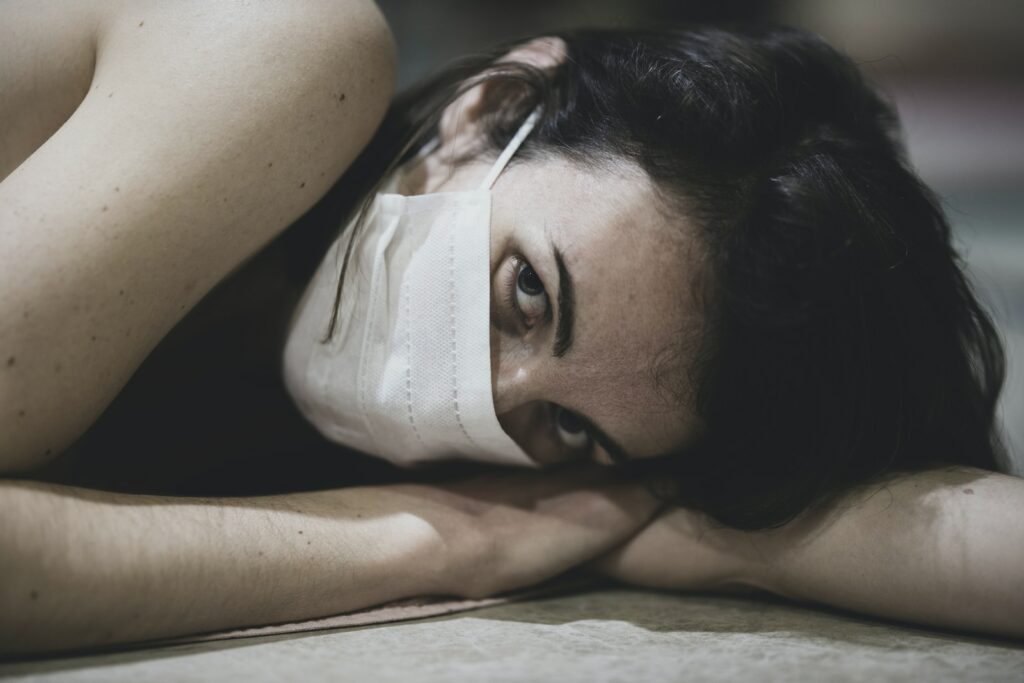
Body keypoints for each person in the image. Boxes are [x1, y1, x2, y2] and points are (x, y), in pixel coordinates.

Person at [1, 0, 1021, 656]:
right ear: (490, 108)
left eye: (569, 427)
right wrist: (439, 542)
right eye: (527, 292)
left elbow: (921, 527)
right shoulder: (279, 45)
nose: (483, 398)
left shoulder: (513, 463)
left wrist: (737, 538)